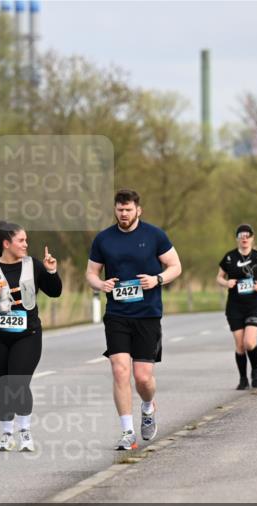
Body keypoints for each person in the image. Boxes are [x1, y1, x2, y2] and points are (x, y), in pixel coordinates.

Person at [86, 189, 182, 451]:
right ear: (115, 210)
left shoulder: (154, 235)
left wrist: (157, 279)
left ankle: (148, 406)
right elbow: (91, 273)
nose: (123, 214)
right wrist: (100, 284)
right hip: (117, 314)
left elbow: (175, 266)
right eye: (119, 209)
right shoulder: (104, 239)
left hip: (147, 314)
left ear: (138, 210)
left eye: (128, 209)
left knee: (142, 378)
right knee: (119, 370)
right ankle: (127, 431)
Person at [0, 221, 62, 452]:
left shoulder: (34, 265)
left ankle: (25, 432)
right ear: (6, 244)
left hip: (27, 334)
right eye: (21, 240)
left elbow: (55, 291)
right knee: (2, 386)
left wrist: (51, 271)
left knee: (18, 382)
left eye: (26, 240)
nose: (26, 244)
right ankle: (7, 434)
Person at [216, 224, 257, 390]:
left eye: (247, 235)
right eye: (241, 235)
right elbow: (219, 277)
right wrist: (227, 282)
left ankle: (255, 370)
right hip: (234, 307)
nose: (244, 238)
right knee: (240, 345)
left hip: (254, 305)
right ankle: (243, 378)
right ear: (237, 239)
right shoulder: (229, 257)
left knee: (249, 342)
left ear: (252, 238)